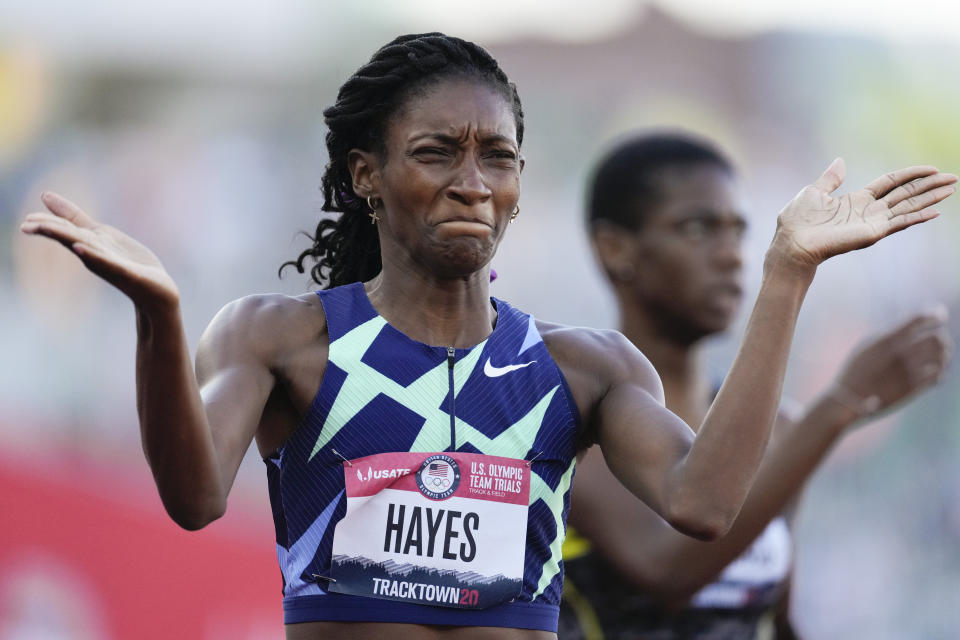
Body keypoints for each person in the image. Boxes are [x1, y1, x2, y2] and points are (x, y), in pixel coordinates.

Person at [18, 33, 957, 640]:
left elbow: (704, 503)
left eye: (498, 157)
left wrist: (788, 272)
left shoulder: (578, 367)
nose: (474, 182)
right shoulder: (285, 341)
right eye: (437, 152)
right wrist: (159, 318)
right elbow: (192, 497)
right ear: (367, 176)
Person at [557, 132, 953, 639]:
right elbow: (669, 572)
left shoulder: (780, 430)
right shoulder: (572, 416)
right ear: (614, 248)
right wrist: (839, 406)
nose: (730, 255)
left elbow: (780, 622)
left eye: (739, 231)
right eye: (697, 228)